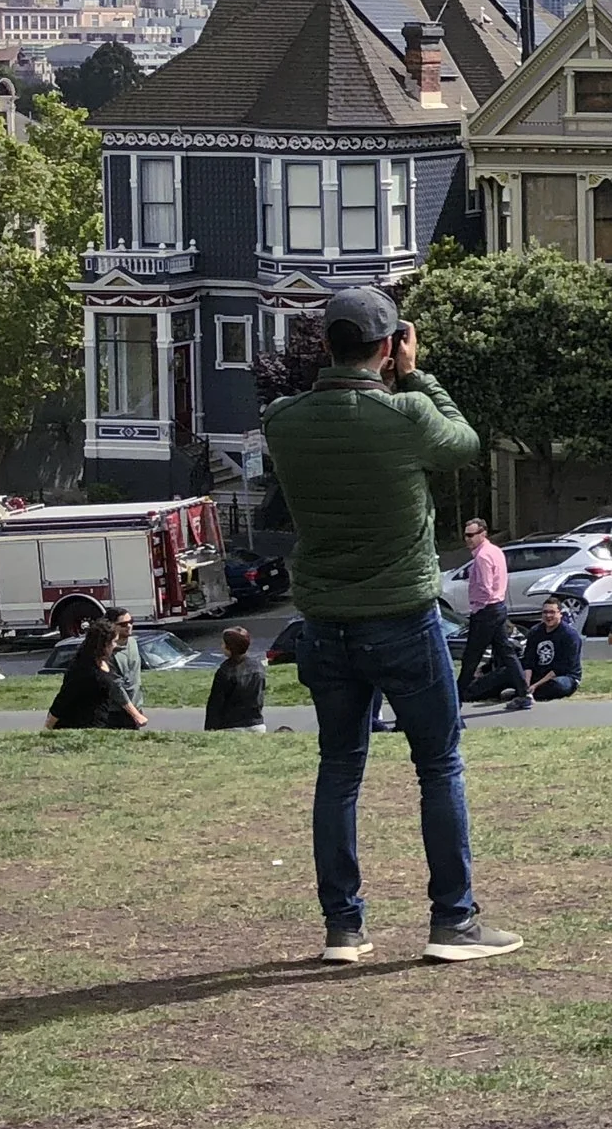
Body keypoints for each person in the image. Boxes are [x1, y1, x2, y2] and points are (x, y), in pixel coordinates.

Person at [261, 286, 518, 965]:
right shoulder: (404, 414)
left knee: (339, 769)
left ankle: (343, 927)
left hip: (323, 622)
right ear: (386, 345)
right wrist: (418, 373)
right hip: (403, 616)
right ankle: (452, 921)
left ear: (325, 344)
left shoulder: (283, 420)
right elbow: (462, 440)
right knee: (438, 764)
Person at [458, 519, 530, 712]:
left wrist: (478, 606)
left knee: (472, 655)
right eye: (466, 535)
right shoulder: (496, 551)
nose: (467, 539)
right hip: (497, 607)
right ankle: (524, 693)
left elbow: (486, 588)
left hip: (486, 610)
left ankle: (455, 698)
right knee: (505, 651)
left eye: (471, 535)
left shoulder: (482, 557)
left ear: (483, 534)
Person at [44, 616, 146, 731]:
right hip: (77, 727)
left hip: (100, 725)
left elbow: (115, 688)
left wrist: (136, 715)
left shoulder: (105, 662)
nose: (115, 645)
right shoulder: (83, 668)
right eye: (113, 642)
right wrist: (48, 727)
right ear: (103, 644)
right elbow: (63, 699)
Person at [204, 626, 267, 732]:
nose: (221, 646)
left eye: (224, 644)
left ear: (230, 647)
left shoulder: (225, 671)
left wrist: (210, 728)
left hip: (231, 726)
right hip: (256, 724)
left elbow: (215, 703)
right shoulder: (258, 666)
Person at [520, 599, 582, 702]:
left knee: (559, 685)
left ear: (560, 614)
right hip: (538, 675)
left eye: (552, 612)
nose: (548, 616)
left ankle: (522, 693)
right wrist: (526, 684)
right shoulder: (535, 632)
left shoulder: (570, 635)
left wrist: (535, 685)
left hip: (563, 676)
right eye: (545, 612)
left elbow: (561, 668)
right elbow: (528, 661)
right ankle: (525, 692)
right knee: (509, 672)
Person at [106, 606, 143, 712]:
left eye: (131, 622)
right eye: (123, 624)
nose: (129, 626)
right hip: (116, 712)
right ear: (111, 626)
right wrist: (134, 714)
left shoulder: (133, 643)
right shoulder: (107, 652)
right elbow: (116, 688)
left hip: (137, 706)